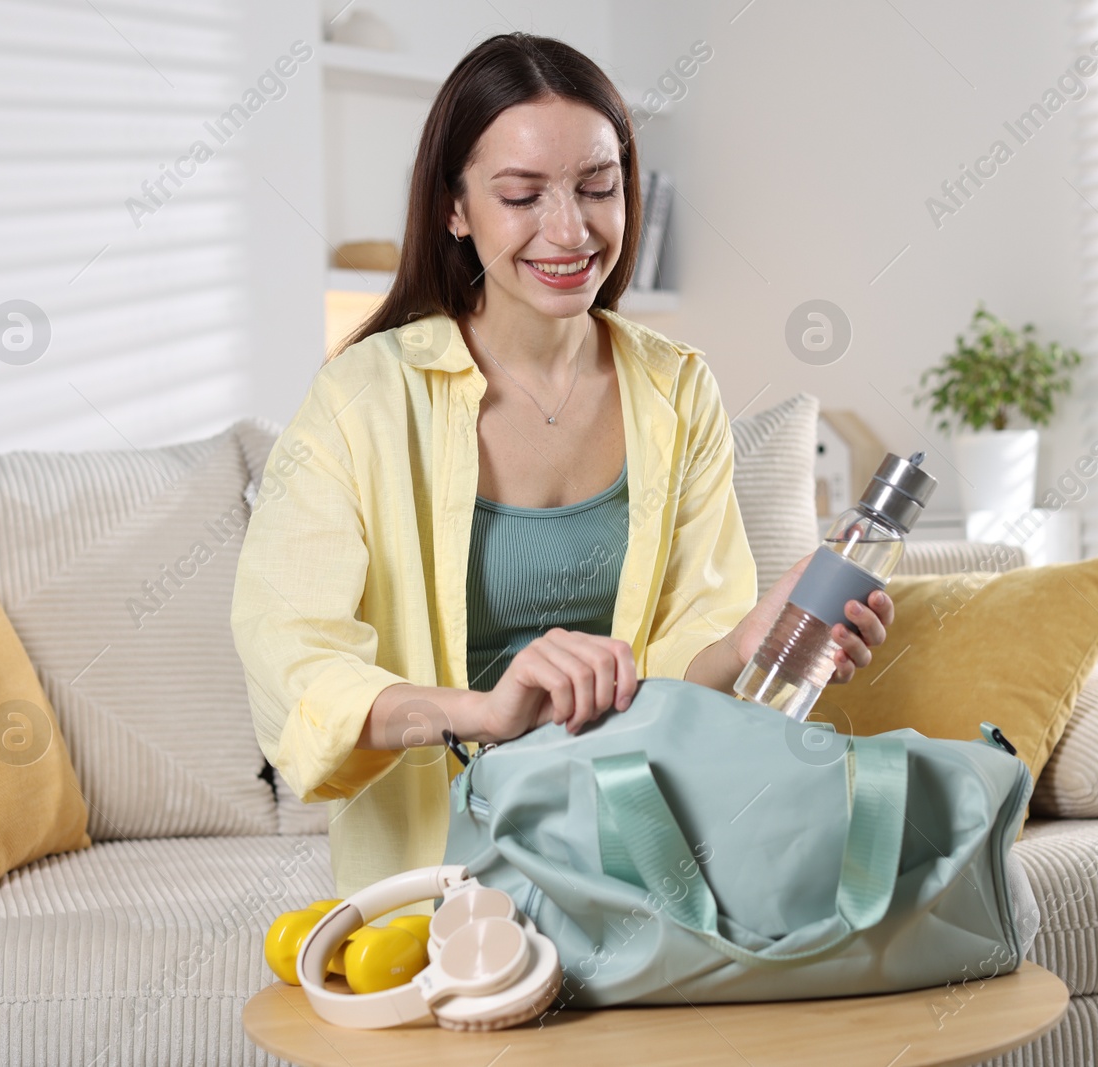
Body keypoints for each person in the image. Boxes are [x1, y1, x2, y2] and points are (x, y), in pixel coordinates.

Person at [230, 32, 894, 899]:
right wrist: (484, 711)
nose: (571, 230)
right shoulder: (362, 397)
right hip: (440, 880)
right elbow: (298, 664)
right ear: (455, 209)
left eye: (597, 188)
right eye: (522, 195)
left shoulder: (676, 388)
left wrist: (747, 639)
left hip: (643, 854)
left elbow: (682, 670)